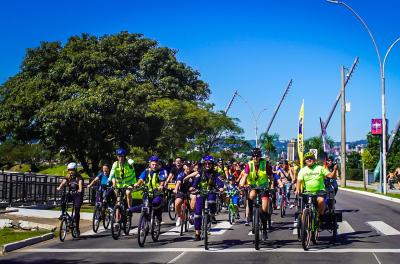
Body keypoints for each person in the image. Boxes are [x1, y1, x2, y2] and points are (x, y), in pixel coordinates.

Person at [240, 148, 274, 241]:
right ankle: (250, 213)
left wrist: (271, 186)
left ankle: (264, 230)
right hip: (253, 186)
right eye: (254, 156)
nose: (255, 158)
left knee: (264, 209)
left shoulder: (265, 164)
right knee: (251, 196)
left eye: (257, 156)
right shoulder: (249, 164)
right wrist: (241, 185)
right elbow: (245, 176)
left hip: (263, 187)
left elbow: (271, 176)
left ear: (260, 156)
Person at [189, 155, 224, 241]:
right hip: (201, 192)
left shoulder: (216, 173)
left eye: (209, 163)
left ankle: (211, 215)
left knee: (212, 202)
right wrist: (192, 187)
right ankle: (197, 233)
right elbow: (195, 183)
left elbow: (220, 183)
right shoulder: (200, 173)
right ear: (203, 164)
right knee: (197, 213)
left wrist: (221, 188)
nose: (207, 165)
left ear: (212, 164)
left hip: (211, 191)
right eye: (206, 163)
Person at [295, 152, 336, 218]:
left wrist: (335, 169)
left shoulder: (320, 168)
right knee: (302, 210)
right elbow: (299, 181)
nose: (309, 160)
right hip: (307, 192)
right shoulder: (302, 170)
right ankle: (304, 222)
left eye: (311, 158)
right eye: (307, 159)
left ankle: (319, 216)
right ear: (305, 161)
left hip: (320, 192)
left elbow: (331, 176)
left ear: (314, 160)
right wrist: (297, 189)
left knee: (321, 200)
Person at [134, 156, 167, 222]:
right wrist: (137, 184)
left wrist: (161, 186)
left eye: (156, 164)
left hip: (157, 193)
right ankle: (143, 226)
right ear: (149, 164)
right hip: (148, 192)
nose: (154, 166)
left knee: (155, 203)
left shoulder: (161, 171)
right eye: (153, 164)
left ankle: (158, 216)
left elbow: (162, 180)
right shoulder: (146, 171)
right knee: (144, 207)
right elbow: (141, 179)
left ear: (158, 164)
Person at [57, 162, 84, 236]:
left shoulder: (79, 177)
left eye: (72, 170)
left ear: (75, 170)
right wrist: (59, 187)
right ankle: (63, 214)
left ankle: (77, 228)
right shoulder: (68, 176)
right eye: (69, 170)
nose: (71, 172)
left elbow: (80, 184)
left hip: (78, 195)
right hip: (71, 194)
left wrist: (80, 189)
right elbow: (63, 182)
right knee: (63, 198)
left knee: (77, 210)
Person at [174, 161, 196, 226]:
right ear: (184, 167)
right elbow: (178, 182)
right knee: (177, 203)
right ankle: (180, 216)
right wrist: (175, 189)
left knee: (194, 198)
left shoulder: (194, 174)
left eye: (190, 166)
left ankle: (192, 213)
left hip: (191, 192)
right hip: (182, 192)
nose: (188, 167)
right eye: (187, 166)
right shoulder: (181, 174)